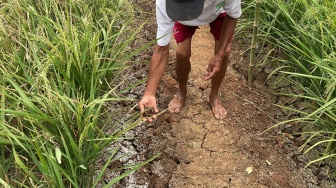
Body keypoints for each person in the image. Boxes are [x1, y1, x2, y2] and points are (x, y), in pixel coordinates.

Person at [139, 0, 241, 121]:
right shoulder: (165, 4)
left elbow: (233, 16)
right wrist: (150, 93)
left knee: (225, 52)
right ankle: (182, 91)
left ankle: (214, 95)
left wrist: (219, 55)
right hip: (181, 15)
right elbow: (161, 50)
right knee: (182, 53)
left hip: (217, 11)